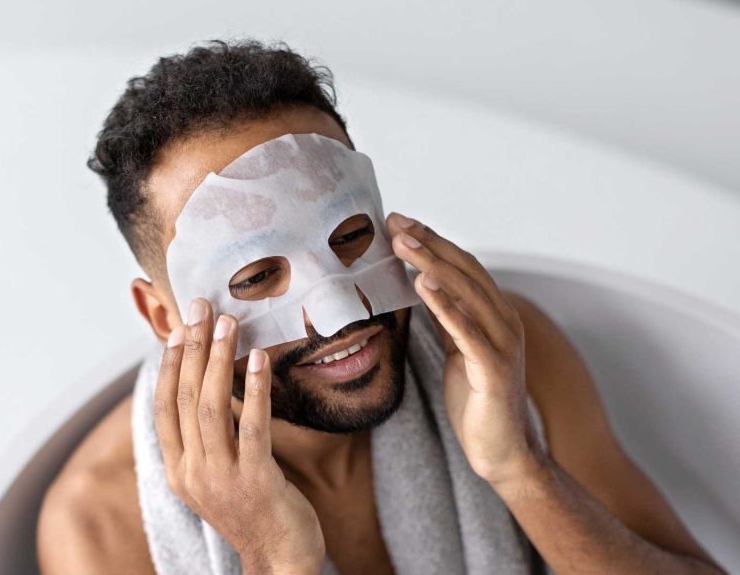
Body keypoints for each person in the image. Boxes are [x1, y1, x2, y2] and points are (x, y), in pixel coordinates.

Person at [36, 38, 725, 575]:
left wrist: (520, 467)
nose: (338, 313)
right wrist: (274, 562)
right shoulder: (101, 523)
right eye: (254, 277)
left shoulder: (497, 359)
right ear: (164, 319)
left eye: (350, 237)